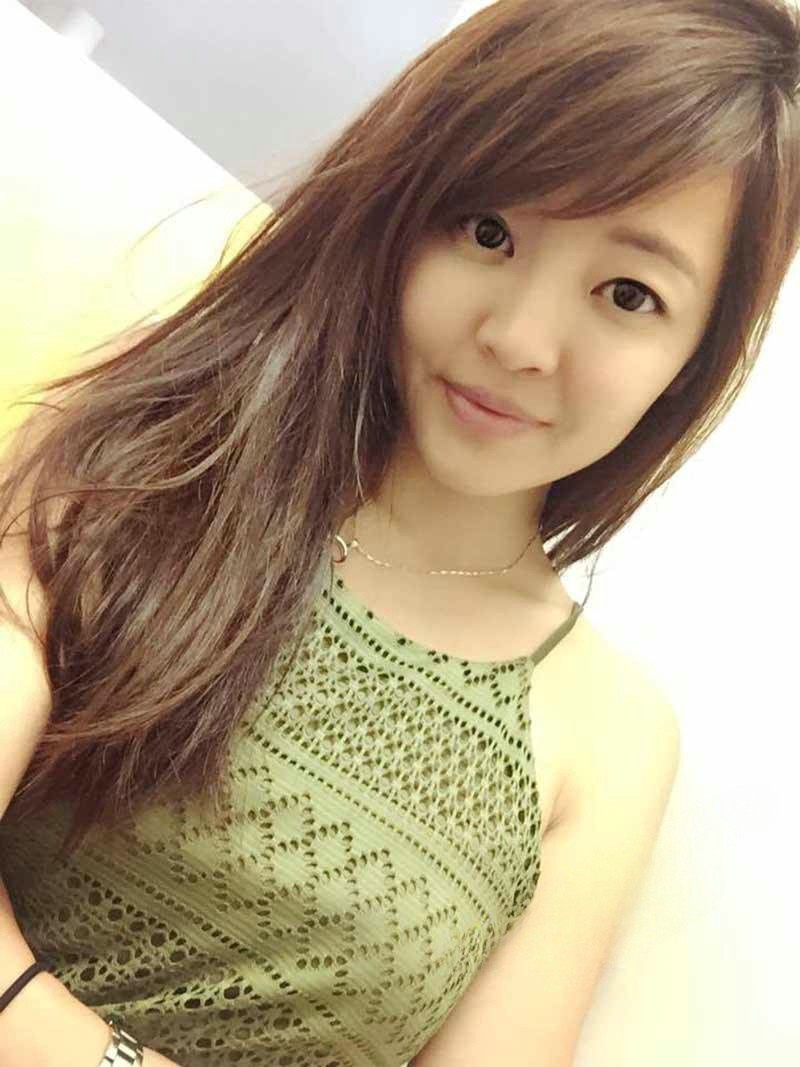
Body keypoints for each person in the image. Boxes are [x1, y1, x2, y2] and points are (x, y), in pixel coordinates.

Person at [1, 1, 798, 1065]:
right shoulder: (154, 458)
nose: (518, 339)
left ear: (693, 359)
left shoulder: (608, 738)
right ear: (404, 203)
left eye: (626, 292)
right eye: (488, 231)